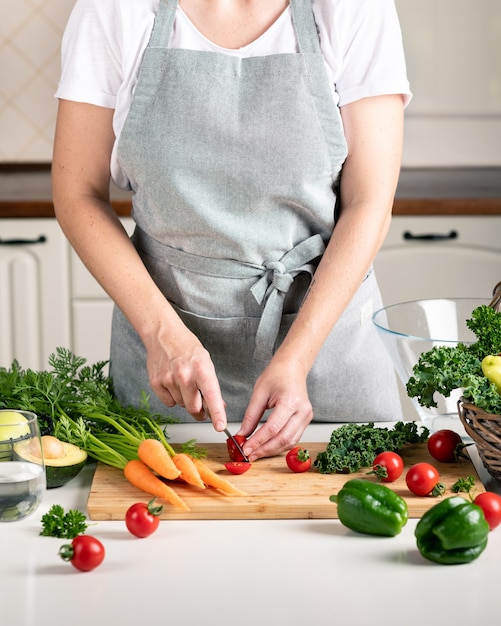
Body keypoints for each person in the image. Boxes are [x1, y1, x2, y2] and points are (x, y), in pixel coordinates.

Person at [52, 0, 412, 461]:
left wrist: (297, 357)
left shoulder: (352, 8)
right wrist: (162, 333)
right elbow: (77, 193)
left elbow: (369, 203)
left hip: (325, 349)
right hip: (169, 360)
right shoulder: (115, 9)